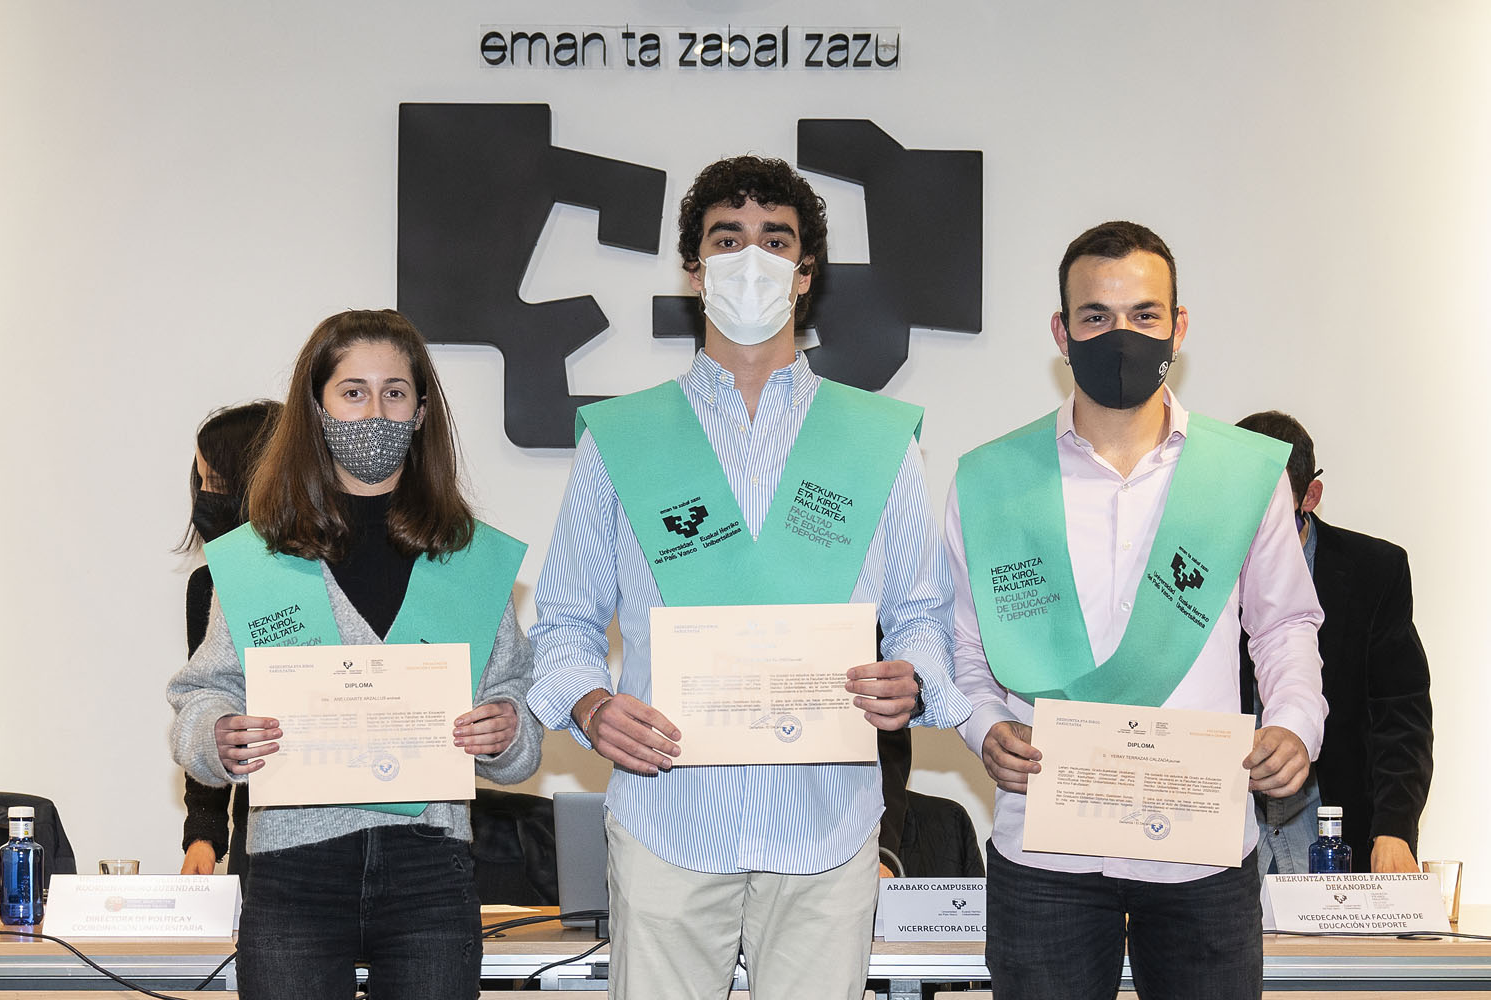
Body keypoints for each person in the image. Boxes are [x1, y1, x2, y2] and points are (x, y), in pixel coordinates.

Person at [527, 155, 971, 1000]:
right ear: (694, 270)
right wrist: (590, 705)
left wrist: (911, 677)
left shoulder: (880, 440)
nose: (751, 260)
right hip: (667, 817)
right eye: (728, 240)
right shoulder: (621, 439)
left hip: (827, 820)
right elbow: (566, 624)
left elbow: (921, 613)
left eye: (776, 241)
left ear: (806, 273)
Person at [946, 221, 1327, 1000]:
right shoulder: (990, 480)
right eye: (1096, 316)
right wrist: (984, 729)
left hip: (1203, 848)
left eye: (1144, 314)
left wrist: (1294, 723)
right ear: (1062, 333)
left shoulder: (1244, 475)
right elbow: (965, 649)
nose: (1120, 335)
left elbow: (1285, 625)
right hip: (1045, 850)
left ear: (1178, 328)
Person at [168, 309, 542, 1000]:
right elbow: (202, 695)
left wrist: (508, 729)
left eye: (395, 392)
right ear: (317, 409)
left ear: (422, 412)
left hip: (431, 869)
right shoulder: (258, 559)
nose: (375, 412)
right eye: (352, 392)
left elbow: (517, 715)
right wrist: (215, 735)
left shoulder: (468, 558)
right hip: (293, 867)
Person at [1236, 410, 1433, 874]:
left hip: (1331, 841)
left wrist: (1394, 830)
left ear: (1311, 496)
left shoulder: (1374, 572)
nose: (1256, 530)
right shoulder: (1194, 572)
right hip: (1228, 845)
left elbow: (1400, 716)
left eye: (1271, 511)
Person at [177, 399, 281, 883]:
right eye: (201, 481)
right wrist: (203, 835)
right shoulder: (209, 586)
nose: (205, 496)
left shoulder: (337, 575)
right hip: (258, 829)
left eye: (216, 481)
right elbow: (211, 707)